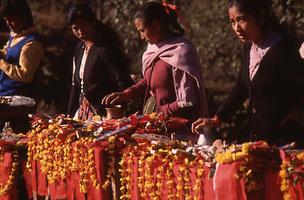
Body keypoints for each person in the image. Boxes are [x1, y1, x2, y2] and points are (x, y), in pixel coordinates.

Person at [192, 0, 304, 147]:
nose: (237, 28)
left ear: (260, 17)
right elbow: (241, 87)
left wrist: (295, 113)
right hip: (259, 138)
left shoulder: (282, 51)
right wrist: (217, 118)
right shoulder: (249, 47)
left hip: (285, 141)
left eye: (242, 20)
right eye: (232, 22)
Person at [102, 1, 208, 132]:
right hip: (157, 126)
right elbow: (147, 81)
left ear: (156, 25)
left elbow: (187, 101)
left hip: (180, 129)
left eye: (142, 31)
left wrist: (158, 111)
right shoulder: (152, 50)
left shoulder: (181, 52)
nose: (141, 37)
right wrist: (125, 94)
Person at [66, 2, 132, 120]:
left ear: (93, 23)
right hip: (83, 113)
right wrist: (69, 116)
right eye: (75, 28)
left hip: (105, 115)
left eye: (84, 26)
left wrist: (115, 111)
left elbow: (123, 82)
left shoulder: (106, 49)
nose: (80, 32)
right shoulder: (79, 49)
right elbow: (75, 86)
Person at [0, 0, 44, 131]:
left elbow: (26, 75)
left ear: (24, 17)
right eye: (6, 20)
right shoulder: (15, 37)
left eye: (12, 20)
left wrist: (1, 63)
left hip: (19, 108)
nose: (8, 24)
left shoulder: (32, 44)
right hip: (6, 100)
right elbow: (7, 53)